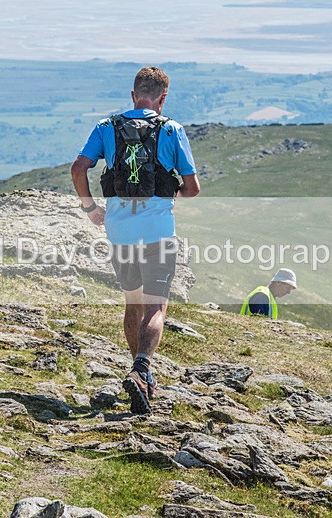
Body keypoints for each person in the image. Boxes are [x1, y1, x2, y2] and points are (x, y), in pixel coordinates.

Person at [71, 66, 200, 415]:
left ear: (133, 95)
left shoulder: (106, 126)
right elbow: (192, 189)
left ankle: (140, 377)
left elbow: (78, 168)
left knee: (133, 304)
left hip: (119, 232)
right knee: (157, 306)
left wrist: (90, 209)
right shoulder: (172, 129)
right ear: (162, 97)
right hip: (157, 233)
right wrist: (169, 191)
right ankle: (142, 367)